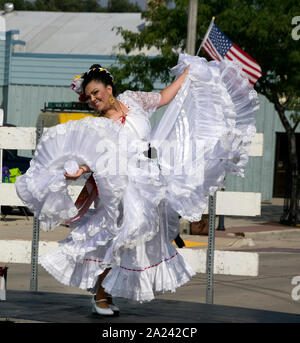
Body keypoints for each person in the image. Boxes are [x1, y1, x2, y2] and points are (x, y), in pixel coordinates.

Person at [15, 53, 259, 316]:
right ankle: (100, 295)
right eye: (89, 97)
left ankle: (104, 291)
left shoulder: (135, 100)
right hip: (115, 187)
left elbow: (165, 97)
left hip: (144, 181)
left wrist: (188, 74)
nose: (94, 100)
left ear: (109, 89)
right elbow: (91, 158)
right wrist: (79, 170)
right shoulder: (97, 126)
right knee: (118, 236)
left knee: (135, 240)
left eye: (96, 93)